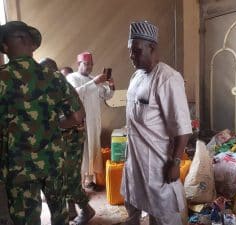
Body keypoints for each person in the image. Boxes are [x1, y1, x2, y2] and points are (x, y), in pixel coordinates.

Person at [0, 21, 85, 225]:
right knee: (59, 217)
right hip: (53, 163)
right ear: (29, 44)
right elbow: (77, 116)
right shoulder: (53, 76)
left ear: (6, 46)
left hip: (17, 168)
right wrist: (54, 127)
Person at [119, 21, 192, 225]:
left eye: (136, 50)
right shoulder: (136, 76)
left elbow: (183, 128)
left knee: (163, 211)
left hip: (157, 161)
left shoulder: (168, 78)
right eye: (130, 51)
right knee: (133, 196)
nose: (131, 55)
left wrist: (175, 163)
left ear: (152, 47)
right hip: (135, 158)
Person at [39, 58, 95, 224]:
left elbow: (78, 116)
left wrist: (51, 125)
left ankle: (86, 209)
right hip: (60, 140)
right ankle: (71, 210)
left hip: (72, 140)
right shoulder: (48, 88)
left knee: (70, 179)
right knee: (62, 178)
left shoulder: (63, 87)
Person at [66, 52, 115, 190]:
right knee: (82, 152)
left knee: (92, 150)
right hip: (80, 122)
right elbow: (75, 93)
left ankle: (89, 181)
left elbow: (107, 96)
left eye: (91, 64)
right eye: (86, 64)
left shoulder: (95, 79)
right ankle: (78, 186)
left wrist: (111, 86)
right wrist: (94, 82)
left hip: (94, 122)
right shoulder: (72, 78)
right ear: (78, 64)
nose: (89, 67)